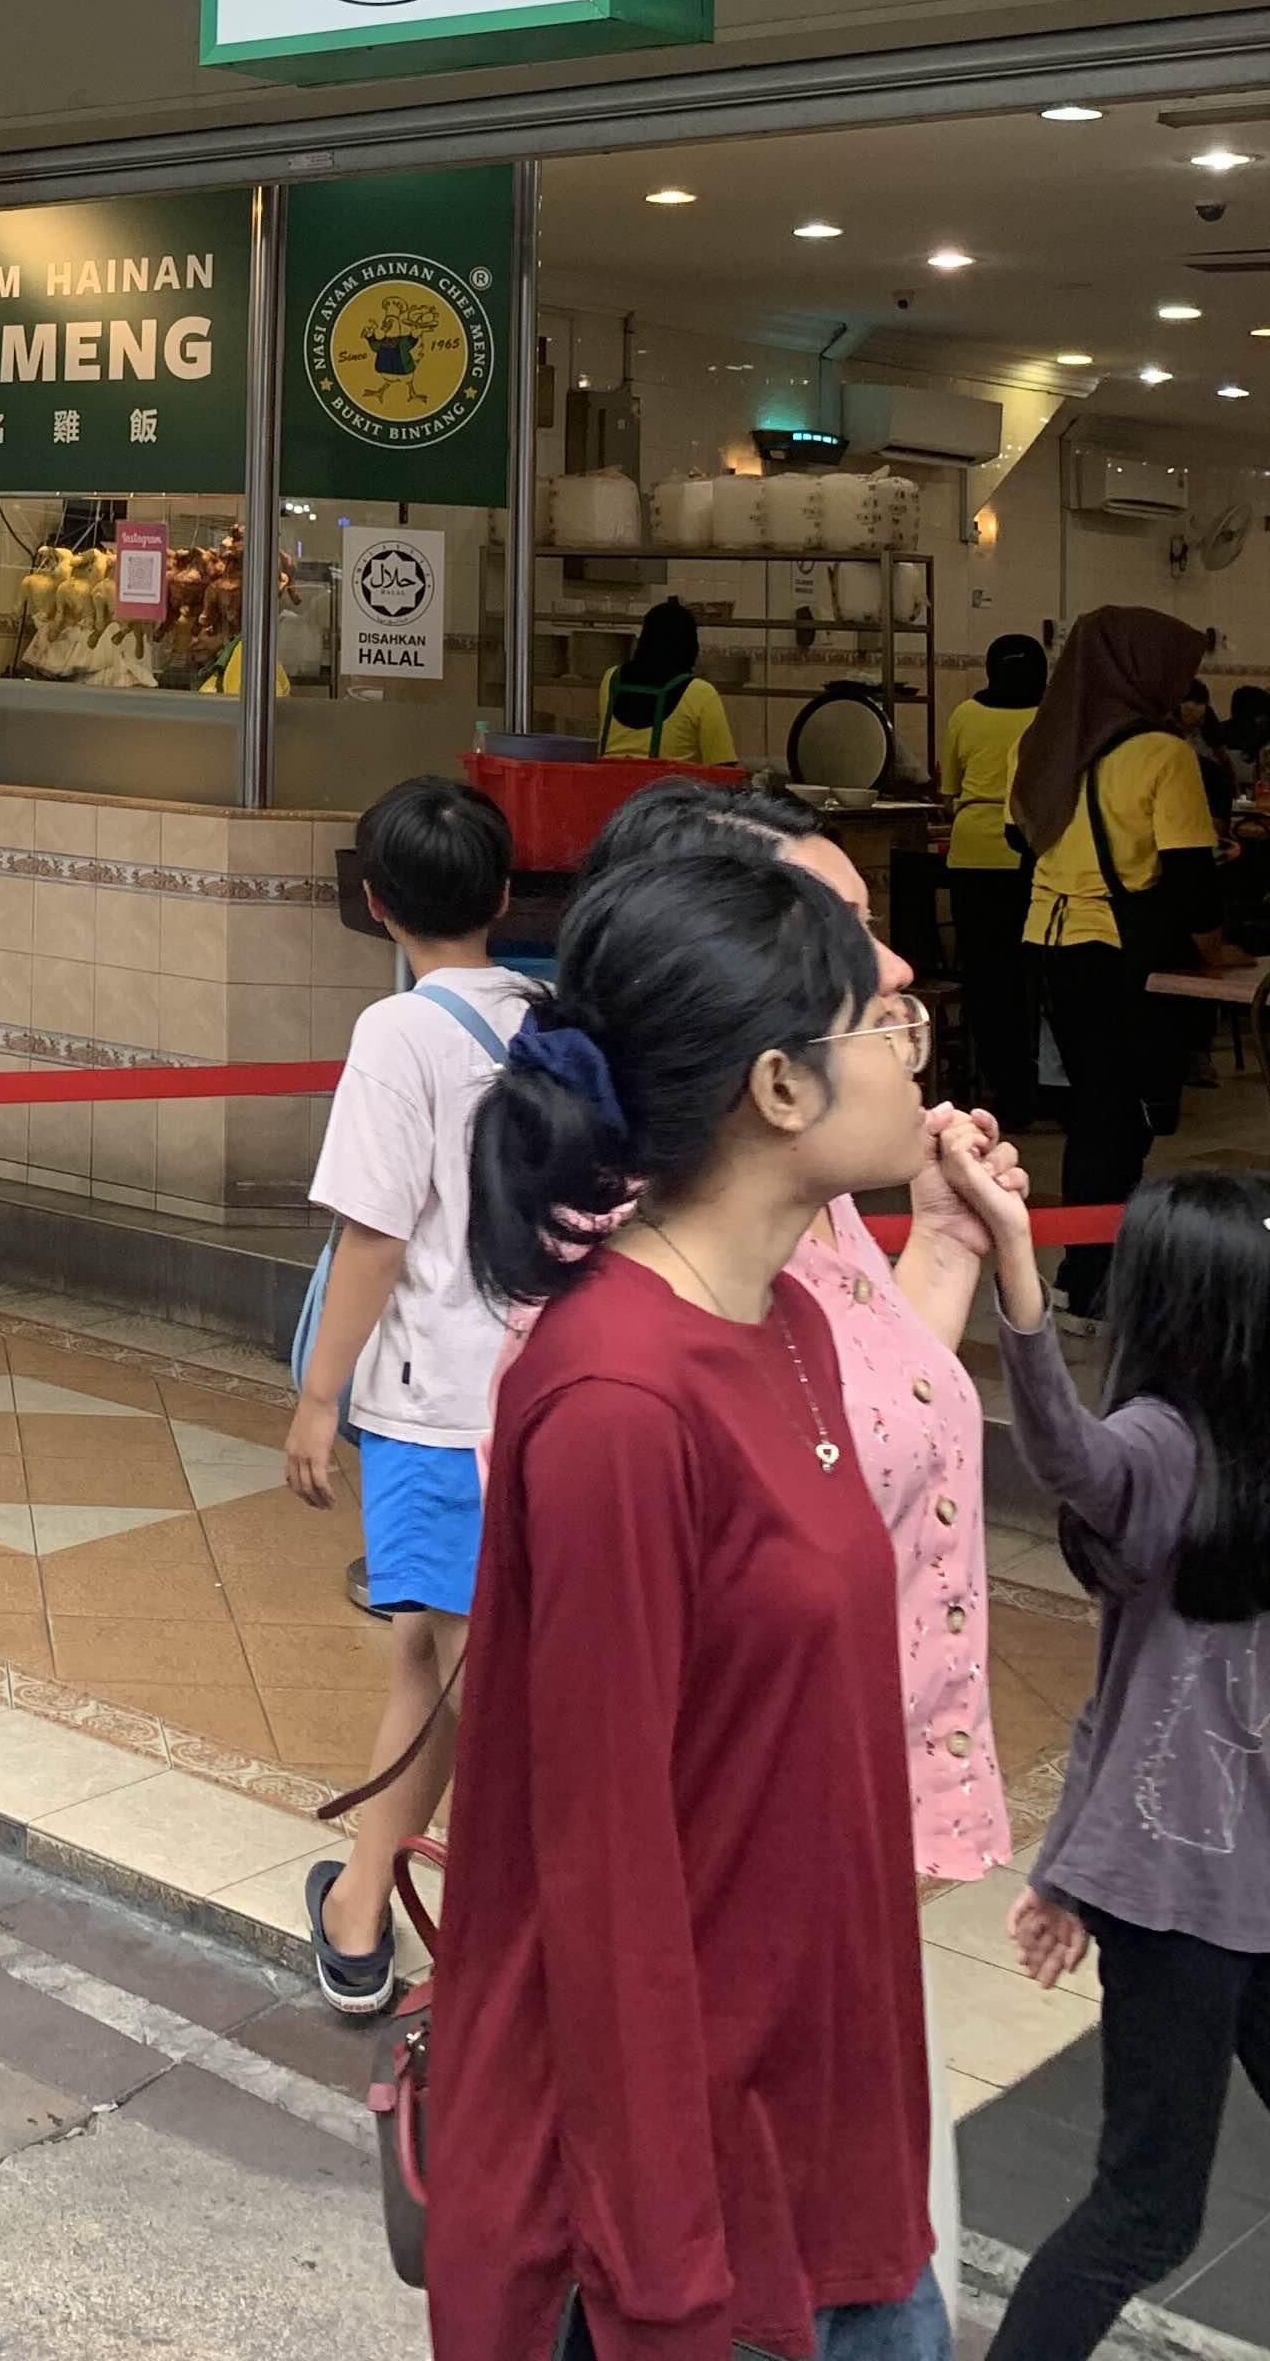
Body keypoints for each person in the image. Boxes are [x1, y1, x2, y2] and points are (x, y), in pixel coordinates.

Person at [431, 843, 943, 2361]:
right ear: (779, 1087)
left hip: (820, 2122)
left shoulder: (787, 1319)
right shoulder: (619, 1401)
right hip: (688, 2213)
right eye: (878, 1023)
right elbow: (600, 1870)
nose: (913, 1043)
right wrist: (661, 2278)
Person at [581, 772, 1020, 2318]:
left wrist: (948, 1247)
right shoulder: (629, 1351)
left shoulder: (792, 1244)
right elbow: (604, 1830)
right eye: (835, 938)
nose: (895, 972)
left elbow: (872, 1438)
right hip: (746, 1989)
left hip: (839, 1907)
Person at [953, 1163, 1270, 2361]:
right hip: (1175, 1903)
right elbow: (1069, 1459)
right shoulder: (1159, 1449)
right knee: (1145, 2215)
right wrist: (1018, 1278)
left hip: (1256, 1888)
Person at [284, 773, 524, 2018]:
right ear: (504, 894)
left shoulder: (400, 1035)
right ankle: (365, 1902)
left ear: (375, 903)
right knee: (444, 1656)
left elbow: (374, 1237)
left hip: (437, 1403)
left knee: (452, 1668)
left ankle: (426, 1921)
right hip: (543, 1395)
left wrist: (319, 1396)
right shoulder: (553, 1018)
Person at [1014, 608, 1236, 1318]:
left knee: (1094, 1108)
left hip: (1050, 943)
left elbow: (1024, 837)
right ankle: (1093, 1281)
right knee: (1123, 1118)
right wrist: (1215, 951)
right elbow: (1191, 878)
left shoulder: (1045, 741)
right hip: (1121, 953)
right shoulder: (1163, 755)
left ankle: (1087, 1273)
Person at [943, 633, 1047, 1128]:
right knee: (1035, 977)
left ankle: (1003, 1092)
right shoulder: (1050, 717)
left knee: (987, 979)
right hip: (1033, 855)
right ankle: (1046, 1085)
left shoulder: (964, 714)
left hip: (971, 853)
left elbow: (950, 789)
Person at [597, 594, 737, 764]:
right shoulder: (700, 693)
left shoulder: (611, 679)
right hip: (670, 782)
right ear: (690, 645)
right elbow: (724, 767)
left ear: (644, 639)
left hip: (609, 780)